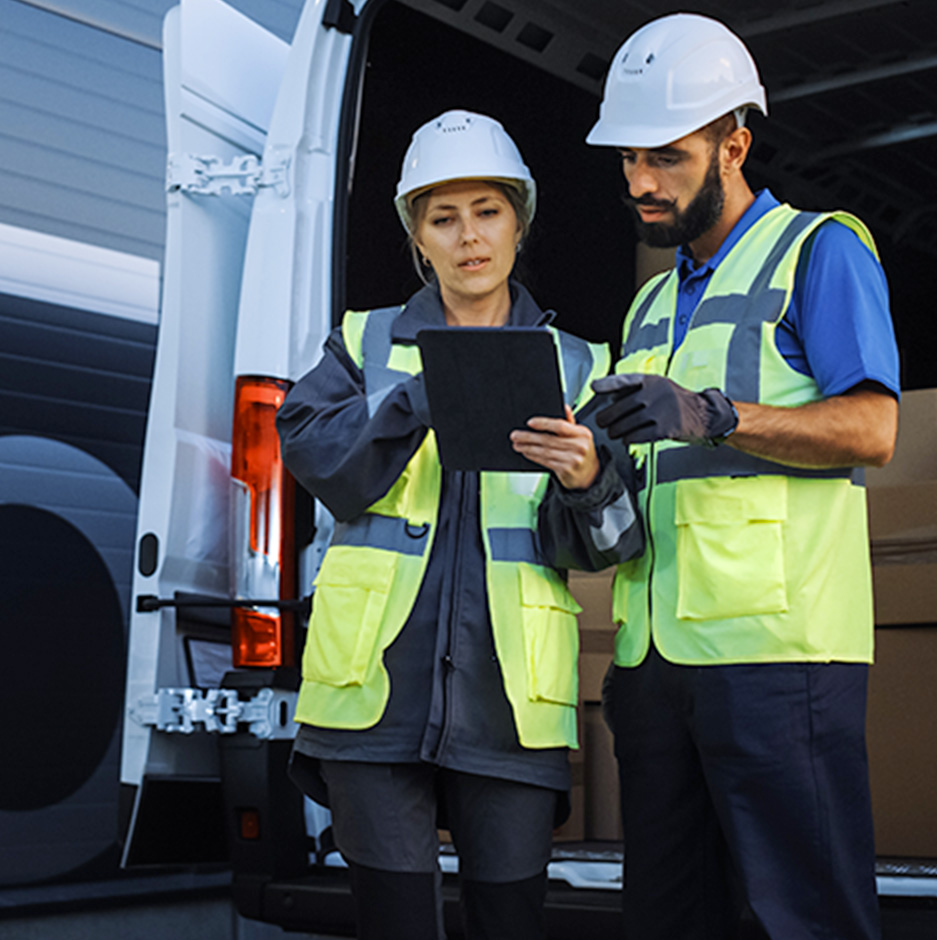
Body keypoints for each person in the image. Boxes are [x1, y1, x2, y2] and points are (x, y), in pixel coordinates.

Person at [578, 14, 901, 940]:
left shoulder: (819, 251)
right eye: (629, 159)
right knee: (670, 921)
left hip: (779, 661)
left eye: (668, 158)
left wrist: (720, 415)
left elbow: (874, 429)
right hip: (649, 664)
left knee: (799, 920)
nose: (642, 181)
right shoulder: (646, 301)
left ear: (735, 144)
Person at [275, 109, 636, 940]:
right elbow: (318, 462)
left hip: (508, 707)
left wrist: (587, 479)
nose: (468, 237)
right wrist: (415, 397)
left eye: (487, 211)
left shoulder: (582, 364)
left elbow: (617, 544)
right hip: (371, 702)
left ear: (520, 223)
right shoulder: (363, 344)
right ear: (416, 236)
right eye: (443, 217)